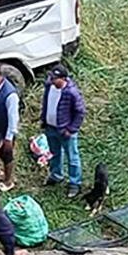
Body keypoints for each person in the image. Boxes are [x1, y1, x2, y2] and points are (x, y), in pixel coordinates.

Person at [40, 65, 85, 198]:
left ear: (63, 79)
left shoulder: (71, 92)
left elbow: (80, 112)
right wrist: (43, 119)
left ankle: (75, 183)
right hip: (50, 127)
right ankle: (56, 175)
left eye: (54, 78)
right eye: (51, 77)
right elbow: (45, 103)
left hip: (65, 131)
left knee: (72, 156)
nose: (51, 80)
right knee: (54, 153)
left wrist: (71, 129)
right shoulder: (49, 87)